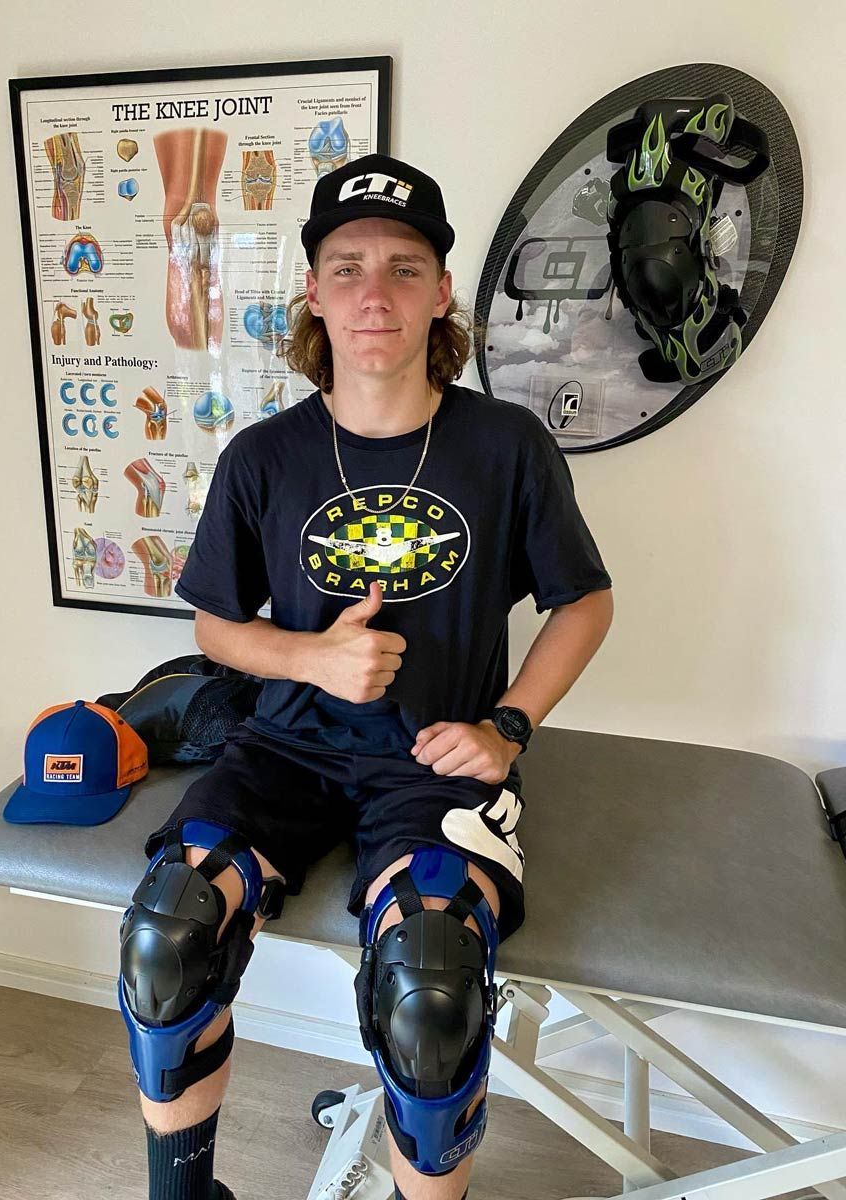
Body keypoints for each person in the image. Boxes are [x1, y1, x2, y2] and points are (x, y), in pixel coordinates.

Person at [119, 153, 614, 1200]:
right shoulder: (262, 457)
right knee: (168, 938)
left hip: (434, 761)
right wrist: (310, 657)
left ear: (441, 291)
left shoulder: (505, 446)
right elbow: (214, 626)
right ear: (313, 290)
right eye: (346, 266)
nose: (373, 292)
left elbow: (585, 600)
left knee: (430, 992)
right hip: (285, 748)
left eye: (403, 265)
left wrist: (511, 726)